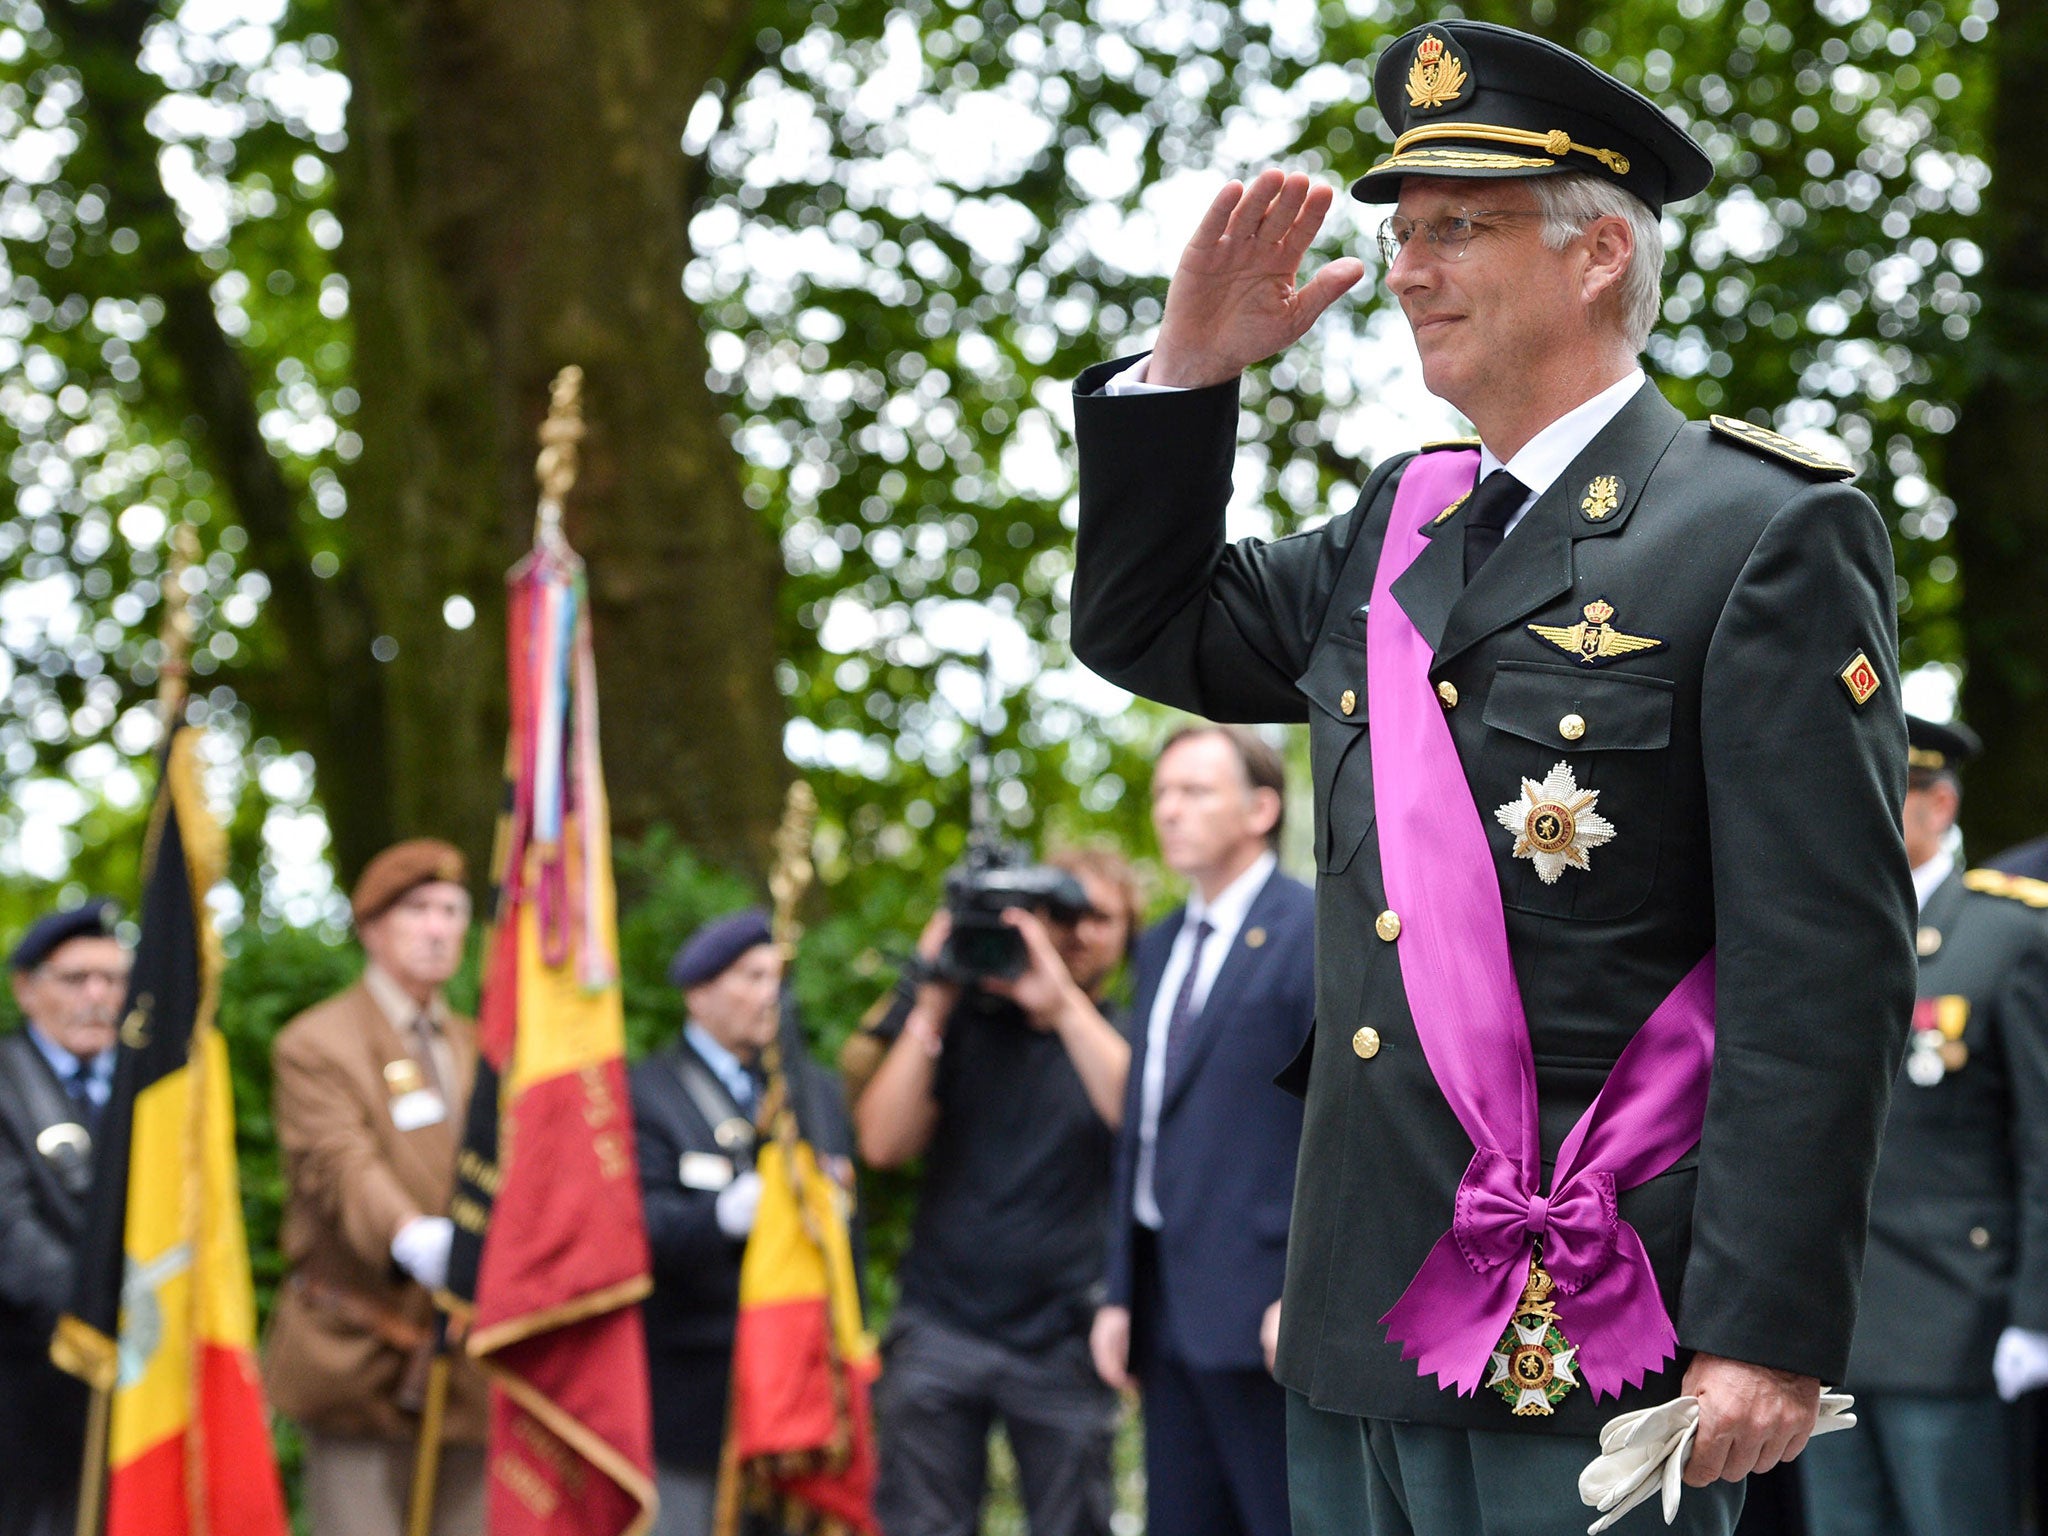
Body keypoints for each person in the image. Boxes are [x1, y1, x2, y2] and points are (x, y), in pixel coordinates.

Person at [1066, 19, 1915, 1536]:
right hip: (1364, 1299)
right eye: (1402, 231)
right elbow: (1148, 626)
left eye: (1458, 228)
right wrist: (1190, 372)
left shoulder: (1761, 528)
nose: (1404, 269)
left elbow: (1823, 963)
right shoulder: (1404, 522)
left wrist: (1771, 1330)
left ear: (1598, 256)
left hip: (1609, 1305)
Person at [1797, 717, 2048, 1536]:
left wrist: (2036, 1314)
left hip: (1954, 1320)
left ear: (1939, 804)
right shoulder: (1825, 935)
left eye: (1886, 793)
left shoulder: (2007, 938)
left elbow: (2041, 1144)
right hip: (1831, 1326)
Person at [854, 847, 1139, 1536]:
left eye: (1096, 916)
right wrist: (933, 996)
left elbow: (1147, 1125)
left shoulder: (1127, 1034)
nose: (1074, 932)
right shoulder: (966, 1021)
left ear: (1130, 933)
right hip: (941, 1325)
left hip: (1065, 1337)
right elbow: (882, 1145)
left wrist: (1062, 1006)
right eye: (1058, 913)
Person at [1090, 725, 1313, 1536]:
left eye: (1194, 792)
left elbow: (1340, 1127)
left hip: (1265, 1311)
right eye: (1161, 794)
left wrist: (1307, 1285)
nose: (1169, 811)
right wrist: (1121, 1291)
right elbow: (1144, 1130)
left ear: (1261, 807)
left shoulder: (1313, 931)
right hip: (1164, 1309)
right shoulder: (1156, 947)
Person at [261, 839, 489, 1536]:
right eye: (417, 909)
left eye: (452, 910)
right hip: (364, 1359)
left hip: (470, 1360)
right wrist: (408, 1233)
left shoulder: (482, 1044)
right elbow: (341, 1165)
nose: (437, 927)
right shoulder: (318, 1043)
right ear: (370, 927)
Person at [631, 908, 855, 1536]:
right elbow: (637, 1230)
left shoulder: (816, 1091)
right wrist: (722, 1218)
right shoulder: (648, 1092)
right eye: (751, 978)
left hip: (800, 1393)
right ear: (699, 993)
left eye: (776, 979)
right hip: (696, 1391)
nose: (769, 996)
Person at [0, 900, 126, 1536]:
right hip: (28, 1393)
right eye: (76, 979)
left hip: (137, 1391)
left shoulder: (150, 1090)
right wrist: (116, 1316)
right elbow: (13, 1239)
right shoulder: (5, 1080)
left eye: (114, 979)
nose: (98, 996)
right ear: (27, 989)